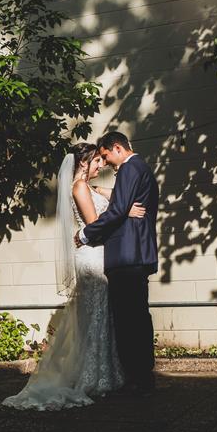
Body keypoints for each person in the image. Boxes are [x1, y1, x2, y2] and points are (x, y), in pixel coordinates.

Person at [3, 143, 146, 410]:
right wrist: (125, 212)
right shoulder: (79, 187)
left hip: (99, 255)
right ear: (83, 163)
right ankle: (94, 376)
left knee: (102, 315)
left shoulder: (88, 187)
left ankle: (106, 372)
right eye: (96, 161)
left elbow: (112, 199)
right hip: (92, 258)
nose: (101, 165)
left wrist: (115, 200)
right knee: (97, 316)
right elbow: (94, 225)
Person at [74, 131, 159, 396]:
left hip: (127, 256)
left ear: (118, 148)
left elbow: (118, 209)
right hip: (134, 254)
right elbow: (122, 205)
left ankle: (138, 377)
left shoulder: (129, 169)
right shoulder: (139, 167)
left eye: (106, 156)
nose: (106, 163)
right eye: (99, 159)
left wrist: (85, 234)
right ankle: (141, 375)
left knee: (129, 321)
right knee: (135, 317)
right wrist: (114, 200)